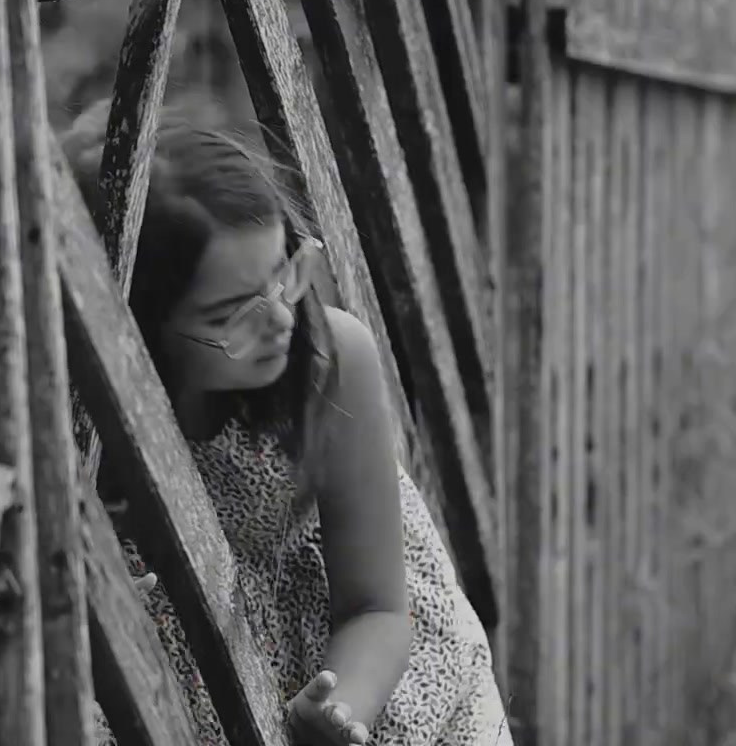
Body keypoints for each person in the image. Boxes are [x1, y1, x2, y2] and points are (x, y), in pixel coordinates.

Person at [61, 100, 513, 746]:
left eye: (285, 274)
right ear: (137, 332)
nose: (279, 320)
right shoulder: (84, 421)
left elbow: (379, 608)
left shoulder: (332, 364)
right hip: (171, 678)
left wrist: (341, 712)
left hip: (351, 666)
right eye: (232, 315)